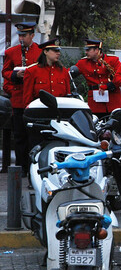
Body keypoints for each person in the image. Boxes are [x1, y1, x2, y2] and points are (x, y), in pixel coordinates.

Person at [2, 22, 42, 174]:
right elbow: (5, 72)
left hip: (34, 100)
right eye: (19, 35)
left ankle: (34, 168)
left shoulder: (40, 51)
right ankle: (21, 168)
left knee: (35, 136)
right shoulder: (12, 52)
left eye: (24, 35)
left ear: (32, 35)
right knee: (19, 136)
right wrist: (15, 75)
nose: (21, 38)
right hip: (18, 99)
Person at [75, 39, 121, 118]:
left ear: (97, 50)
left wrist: (107, 86)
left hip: (113, 100)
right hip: (95, 102)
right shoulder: (82, 63)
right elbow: (68, 73)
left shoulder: (113, 60)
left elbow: (120, 77)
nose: (86, 52)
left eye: (88, 50)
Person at [23, 38, 71, 106]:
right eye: (55, 51)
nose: (58, 53)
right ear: (45, 52)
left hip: (59, 110)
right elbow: (27, 97)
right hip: (40, 110)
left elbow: (68, 95)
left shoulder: (64, 71)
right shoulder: (32, 71)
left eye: (58, 51)